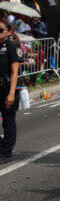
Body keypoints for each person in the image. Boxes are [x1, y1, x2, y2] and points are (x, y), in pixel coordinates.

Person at [0, 20, 21, 163]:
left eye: (1, 30)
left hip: (7, 87)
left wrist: (11, 93)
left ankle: (6, 153)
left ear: (8, 32)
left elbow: (14, 72)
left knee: (8, 122)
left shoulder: (11, 46)